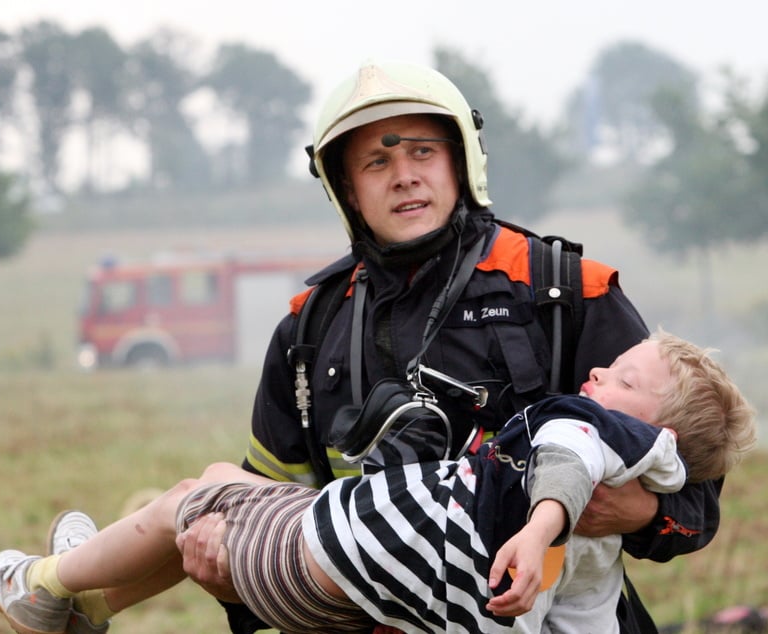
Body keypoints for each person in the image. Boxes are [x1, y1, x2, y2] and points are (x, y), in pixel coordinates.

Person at [176, 59, 725, 633]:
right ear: (347, 190)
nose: (404, 176)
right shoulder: (307, 331)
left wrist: (639, 511)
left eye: (421, 152)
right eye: (376, 161)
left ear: (462, 162)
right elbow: (271, 507)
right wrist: (229, 573)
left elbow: (697, 489)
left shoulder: (563, 292)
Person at [0, 331, 756, 634]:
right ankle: (80, 603)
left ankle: (42, 583)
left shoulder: (561, 303)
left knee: (193, 499)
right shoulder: (316, 315)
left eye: (618, 375)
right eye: (377, 158)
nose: (595, 370)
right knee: (213, 482)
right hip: (348, 557)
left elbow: (602, 461)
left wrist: (593, 514)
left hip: (348, 583)